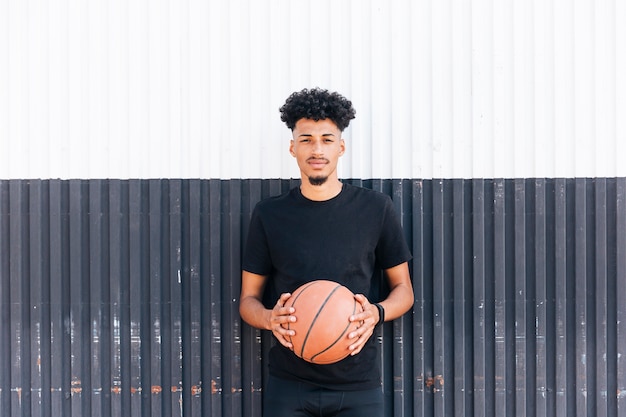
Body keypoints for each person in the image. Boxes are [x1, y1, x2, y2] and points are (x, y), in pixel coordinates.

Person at [239, 87, 414, 416]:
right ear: (292, 147)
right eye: (306, 139)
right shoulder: (269, 214)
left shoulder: (376, 209)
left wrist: (376, 313)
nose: (316, 149)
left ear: (341, 146)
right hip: (289, 384)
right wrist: (268, 318)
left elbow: (404, 291)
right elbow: (248, 300)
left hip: (358, 384)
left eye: (327, 139)